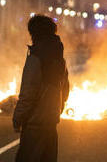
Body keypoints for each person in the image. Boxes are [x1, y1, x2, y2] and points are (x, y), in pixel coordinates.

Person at [13, 15, 70, 162]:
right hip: (51, 123)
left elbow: (28, 93)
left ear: (33, 33)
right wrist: (57, 109)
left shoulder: (36, 57)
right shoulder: (59, 57)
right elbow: (65, 89)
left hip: (34, 124)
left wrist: (17, 118)